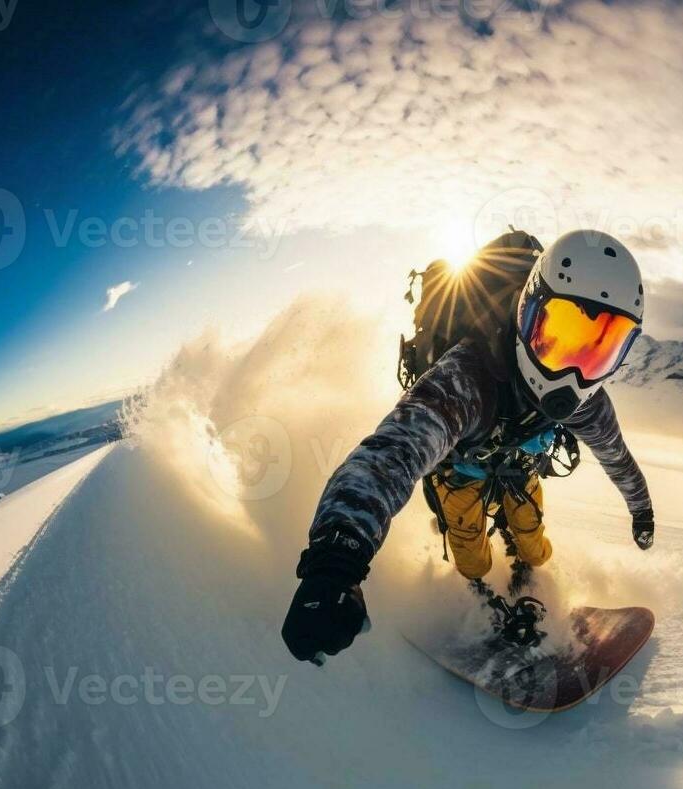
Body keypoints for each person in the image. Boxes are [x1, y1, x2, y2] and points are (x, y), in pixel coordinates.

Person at [281, 230, 655, 664]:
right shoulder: (467, 377)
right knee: (470, 548)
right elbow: (391, 454)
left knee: (534, 543)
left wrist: (640, 507)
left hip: (520, 469)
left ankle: (525, 573)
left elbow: (616, 456)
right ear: (526, 311)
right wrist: (335, 561)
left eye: (599, 351)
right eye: (560, 334)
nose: (571, 372)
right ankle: (477, 587)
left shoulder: (586, 405)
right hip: (459, 471)